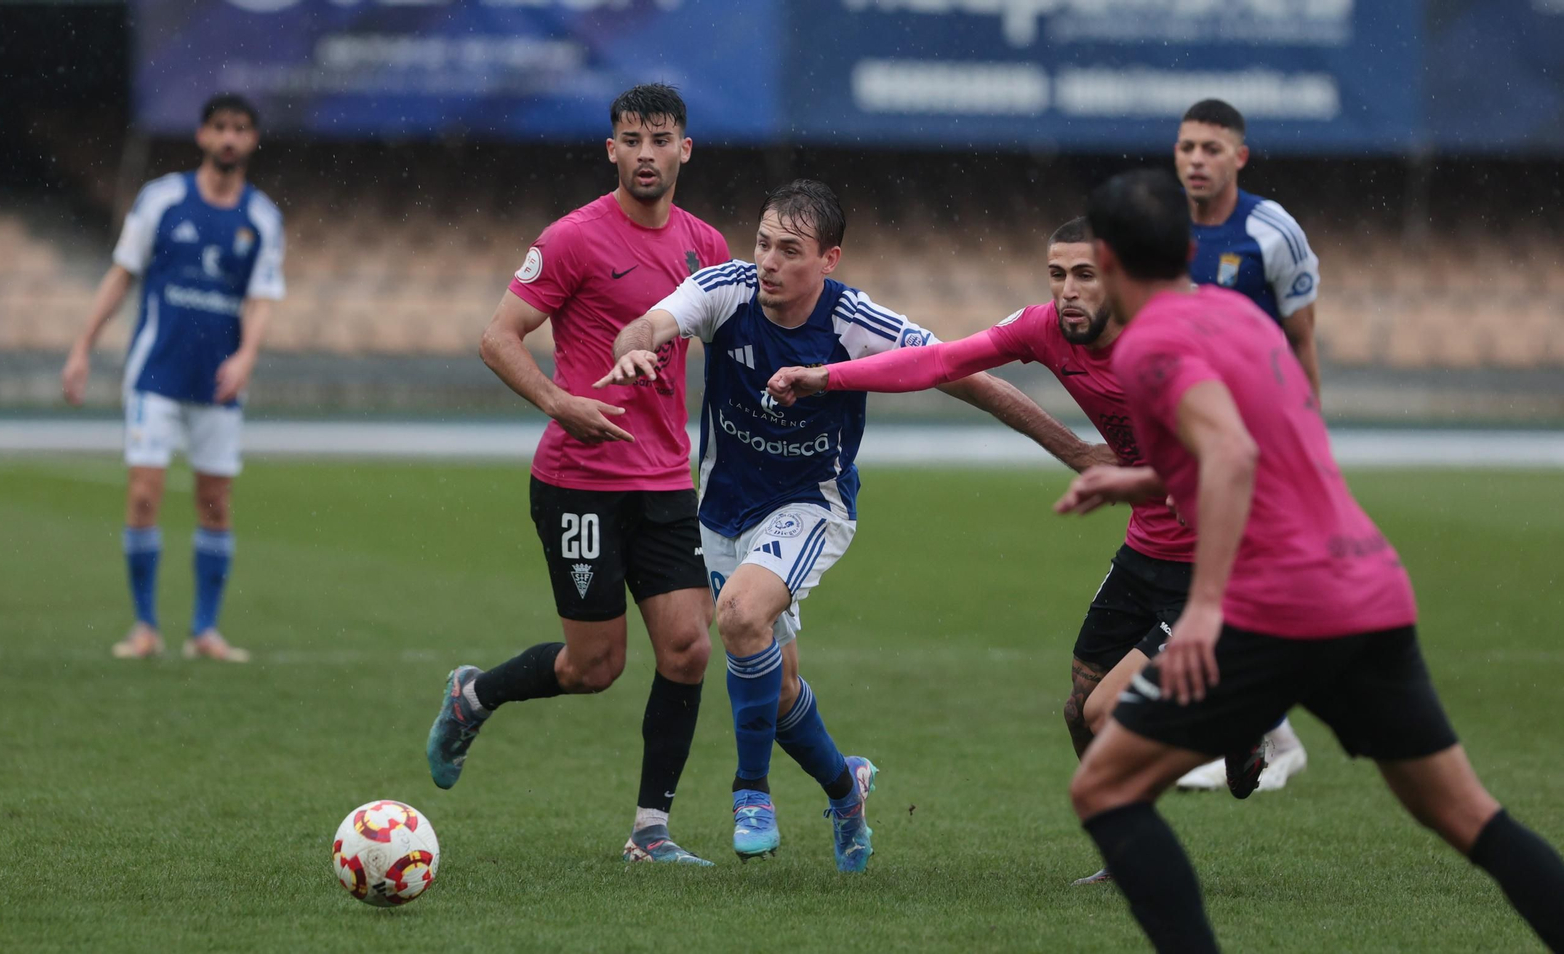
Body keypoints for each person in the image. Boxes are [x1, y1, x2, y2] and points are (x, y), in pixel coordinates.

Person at [1058, 168, 1564, 953]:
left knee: (1105, 785)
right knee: (1466, 814)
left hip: (1282, 603)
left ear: (1110, 261)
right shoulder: (1237, 312)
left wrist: (1205, 609)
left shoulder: (1148, 344)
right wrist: (1144, 480)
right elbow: (1260, 441)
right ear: (1190, 250)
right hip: (1369, 583)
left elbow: (1230, 455)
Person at [596, 179, 1101, 871]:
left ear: (828, 259)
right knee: (775, 691)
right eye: (763, 243)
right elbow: (650, 324)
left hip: (811, 504)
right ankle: (846, 789)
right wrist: (633, 348)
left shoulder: (855, 320)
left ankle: (750, 793)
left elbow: (970, 378)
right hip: (723, 511)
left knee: (739, 615)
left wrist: (1075, 451)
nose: (769, 261)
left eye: (789, 250)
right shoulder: (725, 289)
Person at [768, 218, 1264, 888]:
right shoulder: (1044, 329)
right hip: (1146, 550)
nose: (1068, 291)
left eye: (1085, 275)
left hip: (1221, 563)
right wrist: (828, 377)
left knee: (1108, 711)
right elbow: (940, 361)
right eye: (1057, 275)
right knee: (1079, 710)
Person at [425, 84, 729, 867]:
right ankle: (474, 695)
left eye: (660, 139)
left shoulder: (708, 246)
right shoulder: (572, 239)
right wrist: (561, 403)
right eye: (631, 140)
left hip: (666, 481)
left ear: (685, 148)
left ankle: (650, 832)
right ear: (611, 149)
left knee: (689, 649)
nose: (645, 154)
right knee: (594, 668)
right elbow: (498, 338)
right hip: (580, 482)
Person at [61, 92, 284, 663]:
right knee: (143, 494)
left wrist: (247, 356)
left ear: (253, 140)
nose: (229, 137)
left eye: (240, 128)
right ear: (202, 135)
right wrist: (83, 347)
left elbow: (261, 298)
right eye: (220, 127)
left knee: (215, 502)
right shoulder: (161, 200)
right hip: (156, 374)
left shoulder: (262, 218)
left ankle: (204, 631)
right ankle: (145, 627)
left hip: (219, 382)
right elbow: (122, 274)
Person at [1174, 97, 1317, 790]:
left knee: (1226, 582)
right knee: (1208, 581)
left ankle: (1264, 734)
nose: (1197, 160)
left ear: (1240, 156)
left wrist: (1308, 442)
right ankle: (1269, 732)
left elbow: (1302, 341)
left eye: (1211, 148)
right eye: (1187, 147)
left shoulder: (1272, 231)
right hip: (1188, 439)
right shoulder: (1161, 230)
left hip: (1257, 440)